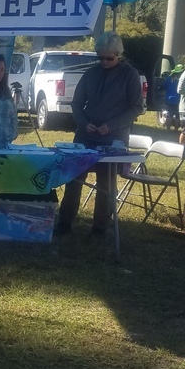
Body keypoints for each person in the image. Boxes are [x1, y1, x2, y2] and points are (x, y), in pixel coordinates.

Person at [54, 32, 144, 236]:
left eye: (109, 58)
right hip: (85, 136)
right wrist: (83, 123)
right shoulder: (91, 73)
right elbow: (77, 103)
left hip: (113, 138)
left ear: (118, 55)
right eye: (100, 57)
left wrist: (110, 126)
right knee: (74, 178)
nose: (104, 61)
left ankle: (100, 227)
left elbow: (136, 107)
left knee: (106, 183)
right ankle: (65, 222)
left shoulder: (129, 74)